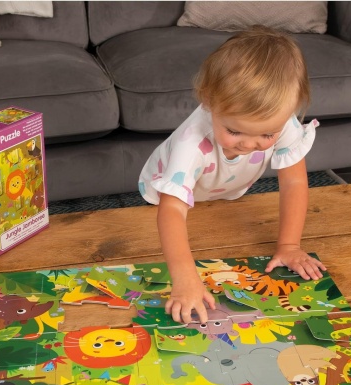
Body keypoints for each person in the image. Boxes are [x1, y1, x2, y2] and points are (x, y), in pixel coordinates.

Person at [138, 26, 326, 325]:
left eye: (267, 135)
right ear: (208, 101)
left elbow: (293, 181)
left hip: (225, 188)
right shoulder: (191, 144)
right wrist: (185, 279)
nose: (249, 145)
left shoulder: (283, 121)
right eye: (235, 131)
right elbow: (171, 210)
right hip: (165, 190)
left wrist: (289, 246)